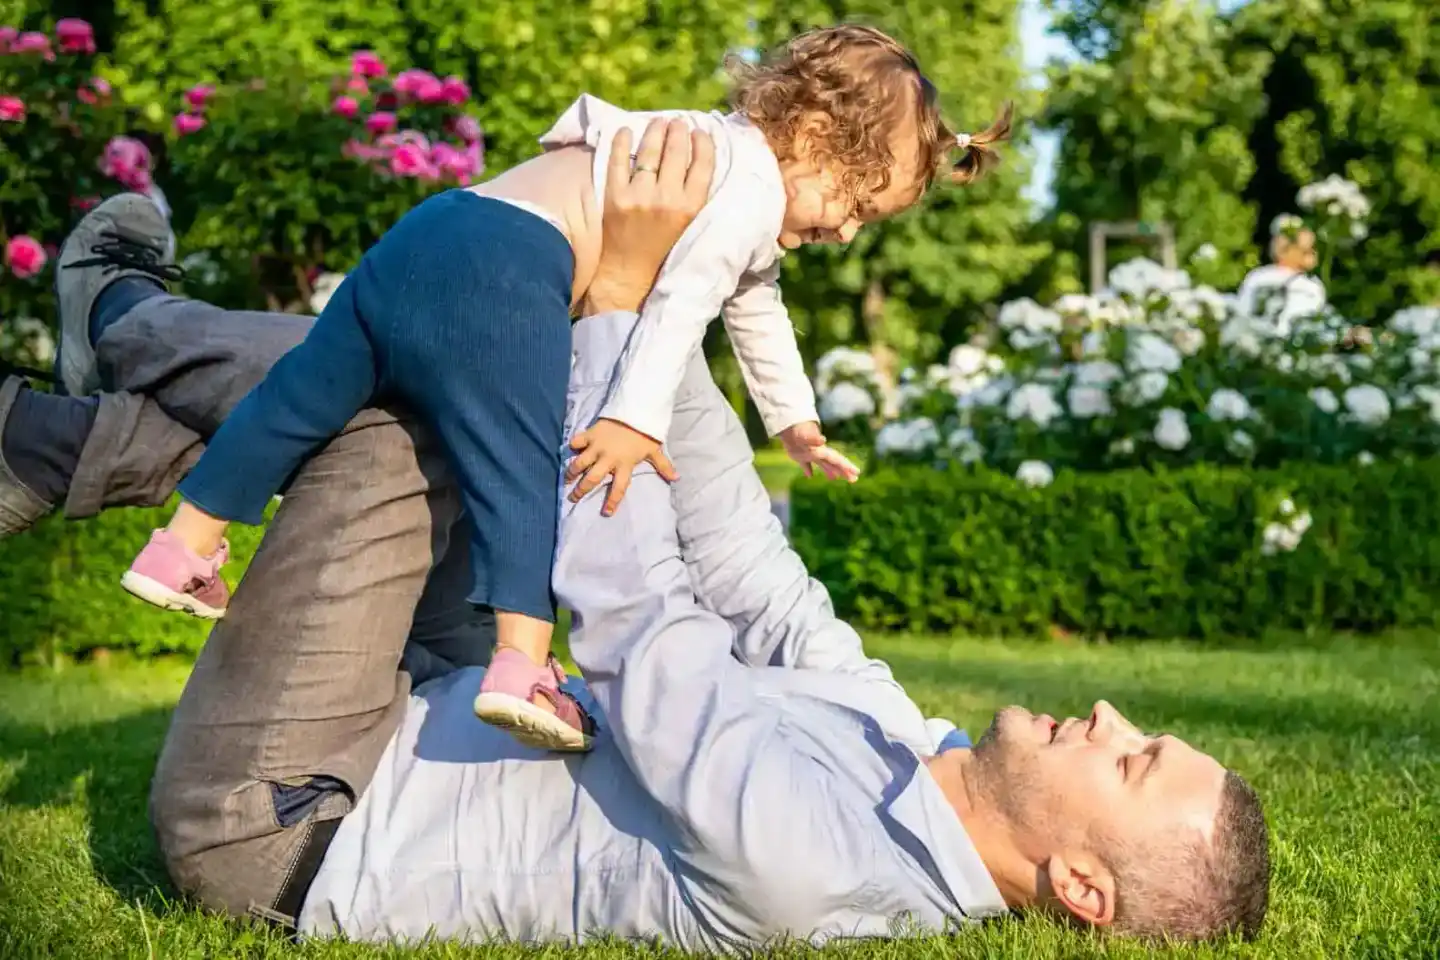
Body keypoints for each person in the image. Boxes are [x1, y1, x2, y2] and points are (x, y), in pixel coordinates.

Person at [2, 135, 1269, 947]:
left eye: (1135, 758)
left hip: (292, 813)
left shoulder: (814, 871)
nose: (1109, 713)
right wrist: (669, 303)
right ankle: (90, 369)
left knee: (422, 402)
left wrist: (610, 296)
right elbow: (742, 564)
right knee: (483, 373)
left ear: (1083, 890)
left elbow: (632, 619)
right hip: (409, 686)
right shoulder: (899, 734)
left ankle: (94, 366)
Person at [115, 25, 1012, 753]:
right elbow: (679, 310)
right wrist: (627, 420)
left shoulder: (718, 149)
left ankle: (182, 544)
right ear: (815, 140)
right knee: (519, 471)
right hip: (513, 270)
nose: (848, 233)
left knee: (296, 401)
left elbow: (756, 308)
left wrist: (796, 423)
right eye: (853, 204)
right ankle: (523, 665)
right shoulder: (741, 192)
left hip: (438, 225)